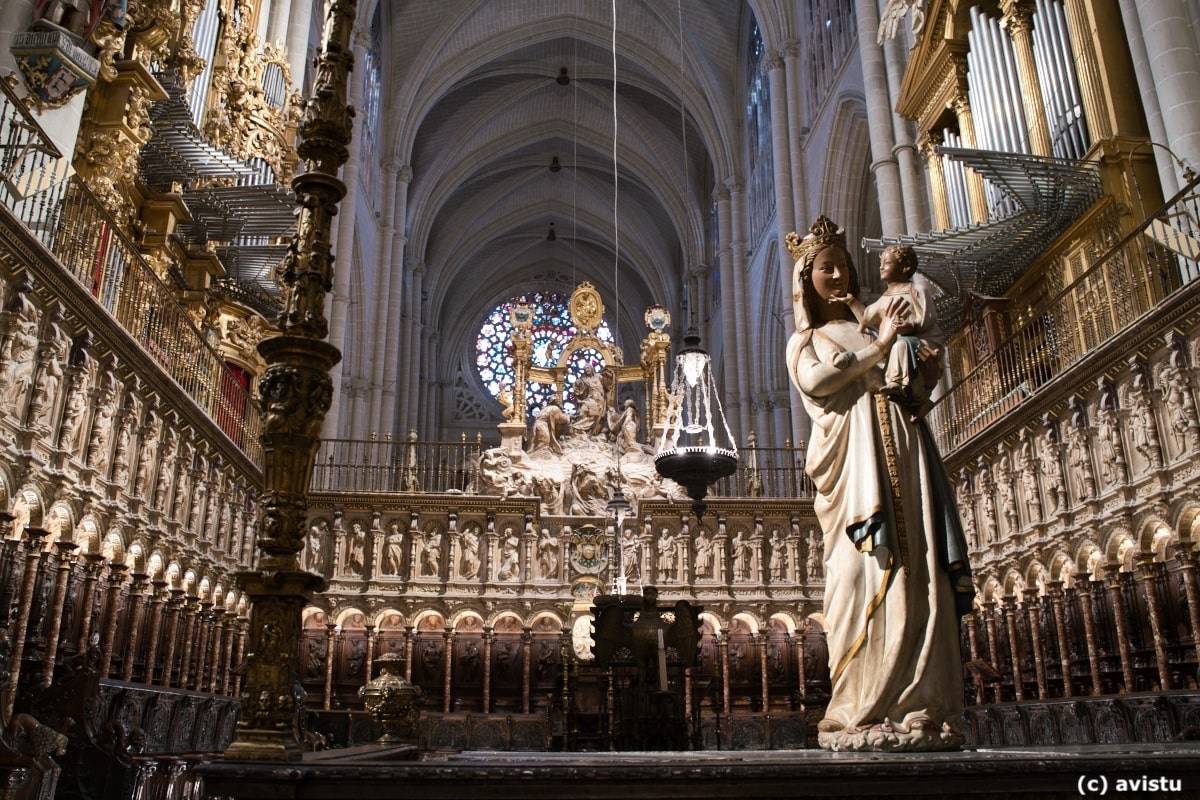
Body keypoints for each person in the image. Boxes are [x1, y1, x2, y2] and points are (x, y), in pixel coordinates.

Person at [784, 216, 973, 752]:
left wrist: (921, 364)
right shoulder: (806, 339)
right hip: (853, 471)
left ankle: (918, 704)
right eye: (826, 268)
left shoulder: (870, 325)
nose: (839, 274)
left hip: (904, 449)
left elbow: (909, 371)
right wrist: (879, 345)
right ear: (806, 279)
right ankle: (860, 706)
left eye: (844, 264)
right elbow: (819, 382)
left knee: (920, 568)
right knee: (857, 574)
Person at [832, 244, 942, 419]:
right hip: (900, 346)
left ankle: (897, 384)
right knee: (897, 348)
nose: (881, 266)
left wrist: (907, 325)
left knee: (901, 346)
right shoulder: (884, 298)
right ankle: (915, 399)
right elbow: (867, 317)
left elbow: (926, 318)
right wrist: (851, 302)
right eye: (881, 263)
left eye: (887, 263)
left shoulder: (916, 290)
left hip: (921, 342)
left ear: (904, 267)